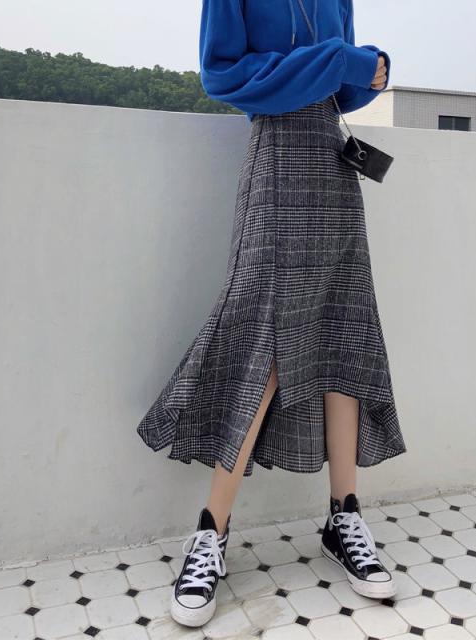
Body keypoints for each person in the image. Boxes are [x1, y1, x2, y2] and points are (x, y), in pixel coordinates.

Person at [136, 0, 408, 627]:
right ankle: (211, 530)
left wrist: (372, 71)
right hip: (278, 160)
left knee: (344, 333)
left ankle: (344, 518)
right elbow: (222, 75)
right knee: (265, 339)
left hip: (334, 163)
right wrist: (338, 59)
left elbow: (343, 90)